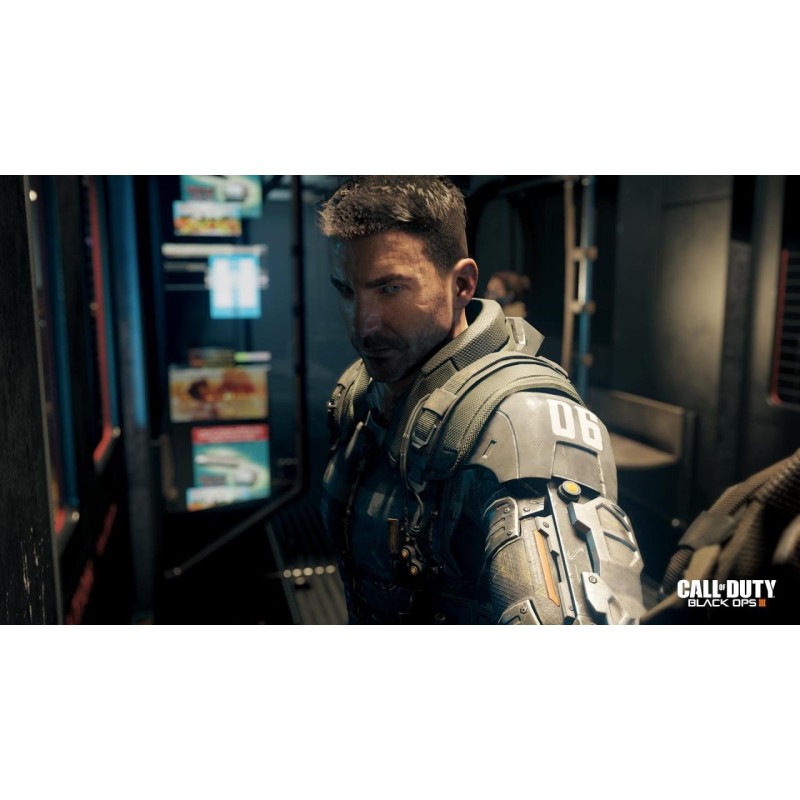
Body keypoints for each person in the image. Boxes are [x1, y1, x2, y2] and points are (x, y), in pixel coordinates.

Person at [318, 176, 646, 624]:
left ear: (461, 285)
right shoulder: (361, 392)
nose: (363, 325)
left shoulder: (521, 423)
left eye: (390, 289)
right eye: (346, 291)